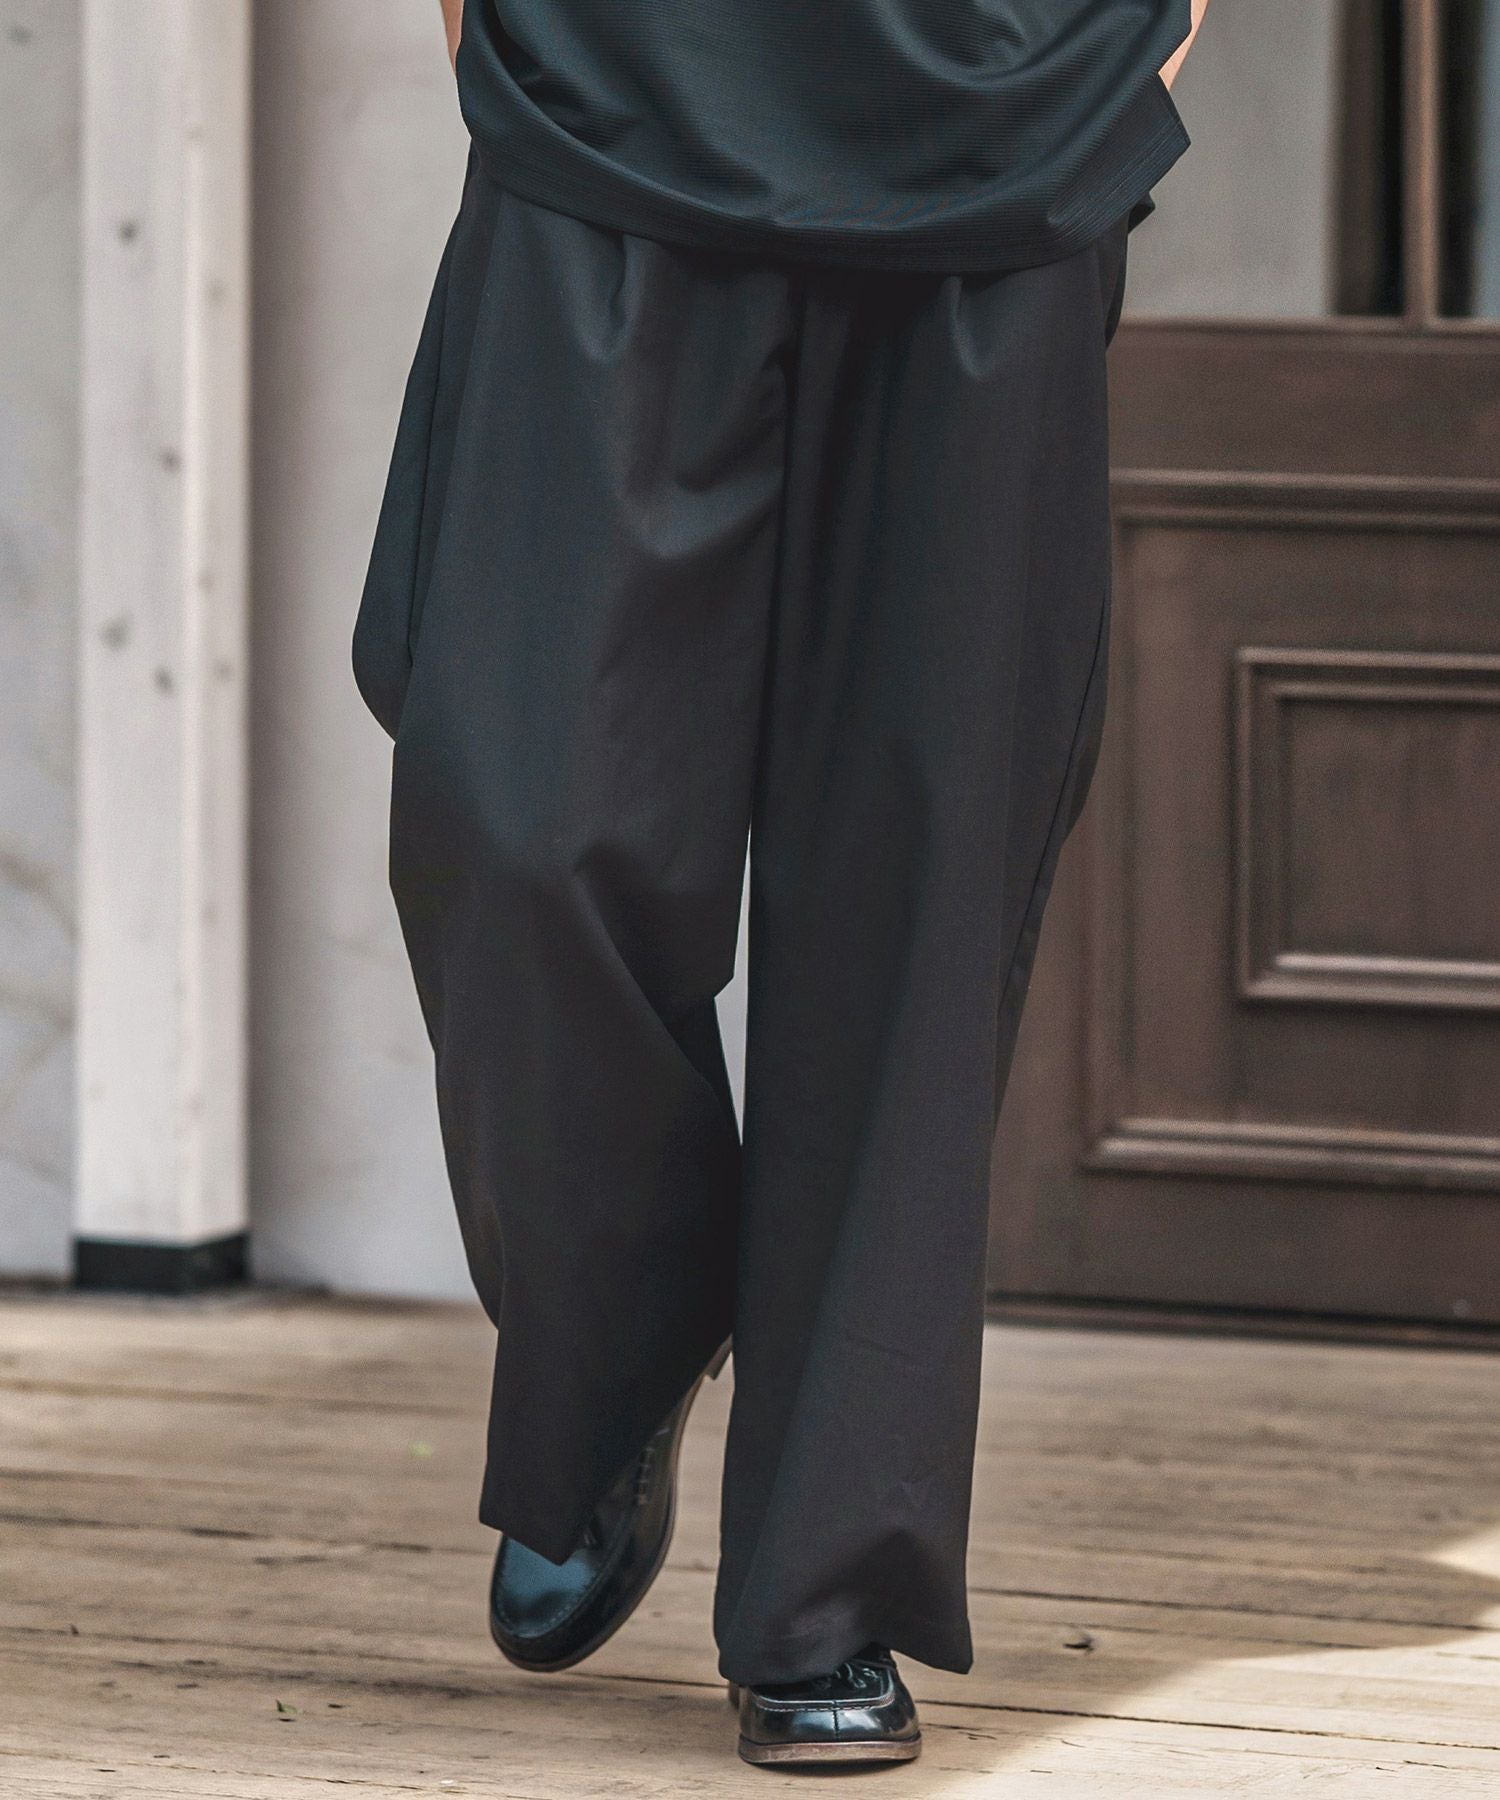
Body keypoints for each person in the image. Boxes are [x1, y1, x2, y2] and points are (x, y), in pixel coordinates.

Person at [355, 0, 1205, 1768]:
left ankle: (829, 1593)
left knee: (917, 881)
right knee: (519, 822)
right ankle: (620, 1334)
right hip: (610, 86)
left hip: (1001, 118)